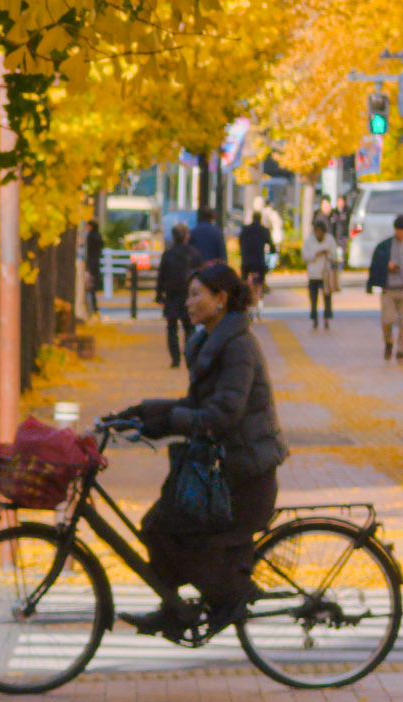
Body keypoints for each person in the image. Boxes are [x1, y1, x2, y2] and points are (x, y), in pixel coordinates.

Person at [117, 259, 290, 641]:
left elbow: (225, 411)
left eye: (197, 295)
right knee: (158, 524)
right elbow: (195, 404)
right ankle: (174, 609)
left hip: (244, 478)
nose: (189, 302)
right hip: (223, 470)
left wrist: (167, 422)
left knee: (173, 528)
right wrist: (141, 413)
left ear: (221, 300)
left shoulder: (238, 346)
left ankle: (230, 597)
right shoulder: (213, 342)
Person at [366, 211, 403, 362]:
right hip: (388, 289)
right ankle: (388, 342)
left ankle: (401, 350)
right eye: (398, 229)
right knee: (387, 320)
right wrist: (385, 267)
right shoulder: (384, 247)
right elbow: (374, 266)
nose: (400, 232)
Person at [155, 221, 202, 368]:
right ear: (186, 236)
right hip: (188, 295)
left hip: (172, 295)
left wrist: (159, 293)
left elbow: (161, 276)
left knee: (172, 328)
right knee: (189, 327)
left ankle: (175, 359)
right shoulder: (194, 253)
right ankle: (190, 355)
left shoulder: (168, 254)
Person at [302, 214, 339, 329]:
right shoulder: (309, 240)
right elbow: (304, 256)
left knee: (327, 296)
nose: (318, 234)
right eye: (316, 231)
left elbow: (335, 255)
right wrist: (315, 254)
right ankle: (314, 318)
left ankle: (327, 317)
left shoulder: (329, 239)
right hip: (313, 273)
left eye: (320, 232)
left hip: (325, 273)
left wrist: (328, 254)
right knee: (313, 298)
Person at [238, 207, 273, 312]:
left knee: (244, 281)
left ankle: (245, 300)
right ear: (260, 219)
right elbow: (271, 246)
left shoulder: (245, 229)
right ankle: (259, 296)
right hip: (259, 262)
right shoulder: (264, 230)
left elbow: (240, 242)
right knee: (260, 281)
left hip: (246, 261)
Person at [83, 216, 104, 316]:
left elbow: (89, 252)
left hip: (91, 265)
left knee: (90, 287)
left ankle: (92, 309)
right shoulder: (98, 236)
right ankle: (94, 308)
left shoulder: (90, 236)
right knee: (92, 288)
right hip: (96, 264)